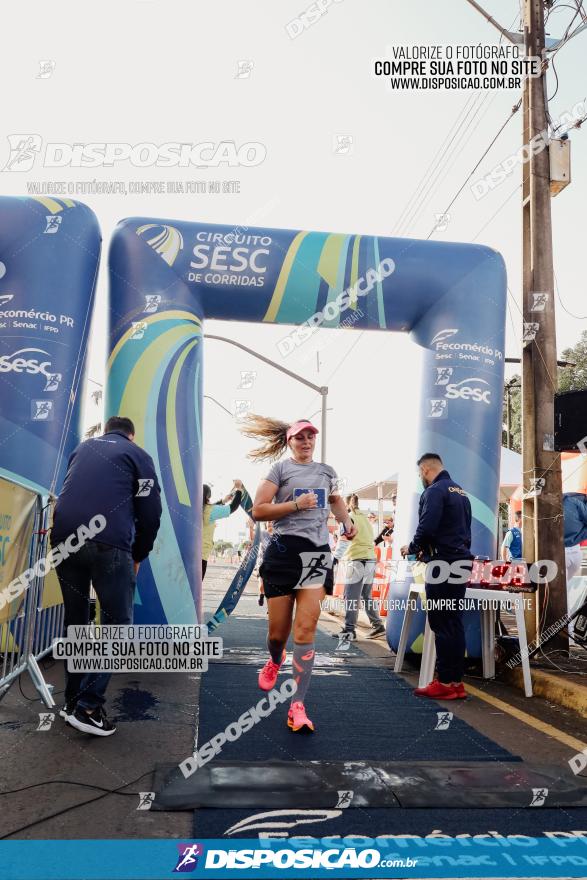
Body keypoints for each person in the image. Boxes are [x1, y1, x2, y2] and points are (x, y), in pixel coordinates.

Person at [244, 415, 357, 733]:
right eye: (299, 437)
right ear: (289, 441)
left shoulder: (327, 472)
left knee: (305, 630)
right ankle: (274, 659)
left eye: (310, 437)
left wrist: (347, 523)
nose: (306, 442)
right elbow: (259, 510)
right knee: (279, 634)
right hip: (282, 554)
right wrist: (295, 505)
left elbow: (335, 501)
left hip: (317, 555)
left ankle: (297, 705)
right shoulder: (280, 470)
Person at [50, 416, 162, 736]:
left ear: (106, 430)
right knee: (116, 627)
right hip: (108, 544)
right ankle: (88, 707)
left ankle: (71, 702)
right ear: (132, 433)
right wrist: (139, 553)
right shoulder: (136, 454)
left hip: (64, 542)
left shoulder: (83, 449)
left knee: (77, 622)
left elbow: (68, 493)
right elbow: (151, 510)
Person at [401, 453, 473, 701]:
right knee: (454, 622)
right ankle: (455, 682)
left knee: (441, 622)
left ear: (424, 470)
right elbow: (464, 530)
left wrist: (411, 548)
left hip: (443, 562)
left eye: (420, 474)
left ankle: (444, 681)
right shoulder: (460, 491)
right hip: (460, 560)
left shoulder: (434, 490)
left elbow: (427, 527)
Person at [332, 494, 385, 640]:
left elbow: (343, 541)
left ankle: (349, 630)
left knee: (351, 597)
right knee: (366, 596)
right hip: (370, 559)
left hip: (357, 559)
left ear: (346, 505)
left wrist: (335, 558)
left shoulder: (349, 518)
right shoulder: (366, 519)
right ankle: (378, 625)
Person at [201, 480, 243, 579]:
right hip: (201, 556)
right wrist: (239, 489)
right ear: (208, 496)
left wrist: (223, 501)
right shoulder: (209, 510)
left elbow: (209, 507)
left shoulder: (195, 508)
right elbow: (232, 507)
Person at [563, 492, 587, 622]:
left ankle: (569, 628)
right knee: (564, 592)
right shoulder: (577, 503)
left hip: (559, 552)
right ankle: (570, 629)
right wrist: (578, 536)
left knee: (562, 592)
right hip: (574, 552)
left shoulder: (571, 501)